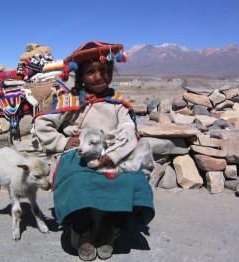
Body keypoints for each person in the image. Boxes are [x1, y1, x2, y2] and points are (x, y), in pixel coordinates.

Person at [33, 41, 155, 261]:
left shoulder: (118, 104)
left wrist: (114, 155)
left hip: (115, 152)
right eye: (90, 72)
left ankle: (113, 229)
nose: (99, 77)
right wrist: (62, 143)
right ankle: (83, 231)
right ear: (80, 76)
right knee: (78, 182)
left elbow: (128, 132)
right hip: (80, 152)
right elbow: (42, 124)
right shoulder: (69, 101)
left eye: (105, 71)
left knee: (134, 181)